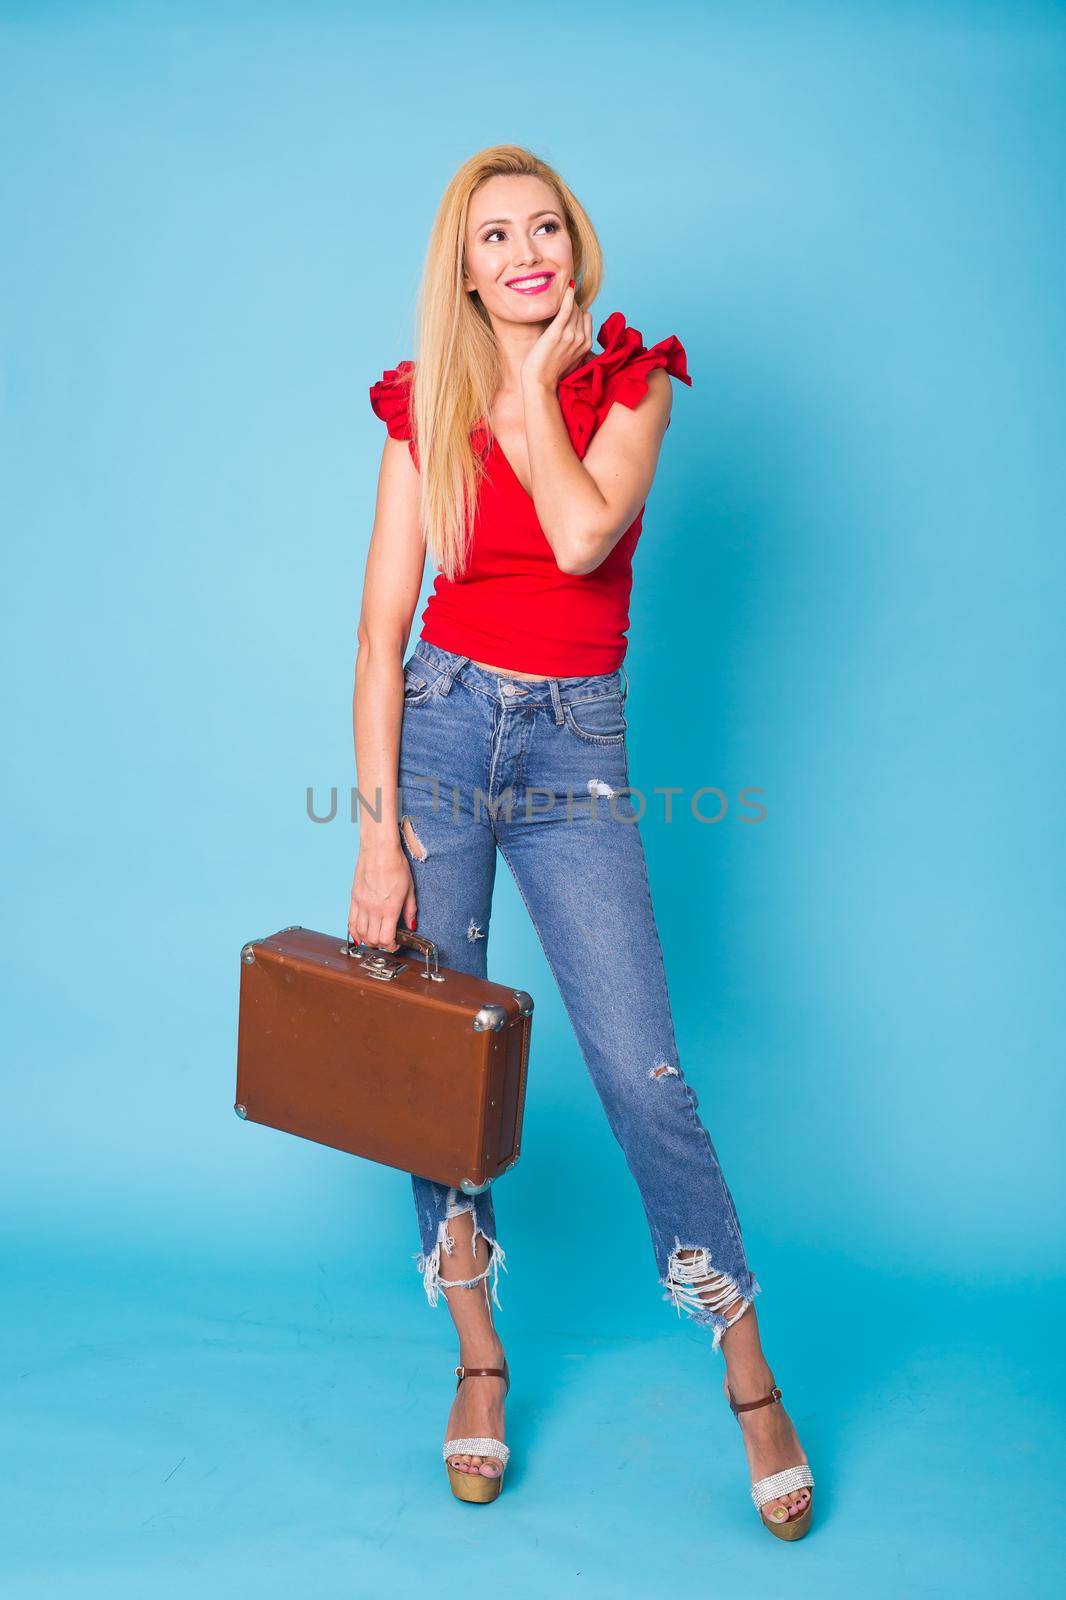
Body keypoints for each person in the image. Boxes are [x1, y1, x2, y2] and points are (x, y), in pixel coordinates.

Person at [349, 145, 813, 1536]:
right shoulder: (421, 404)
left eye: (543, 227)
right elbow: (378, 637)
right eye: (495, 237)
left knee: (639, 1069)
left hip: (571, 750)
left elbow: (572, 542)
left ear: (572, 245)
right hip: (437, 732)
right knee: (439, 1060)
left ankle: (746, 1373)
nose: (525, 250)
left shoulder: (632, 380)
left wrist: (542, 383)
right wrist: (378, 840)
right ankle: (478, 1360)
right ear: (465, 264)